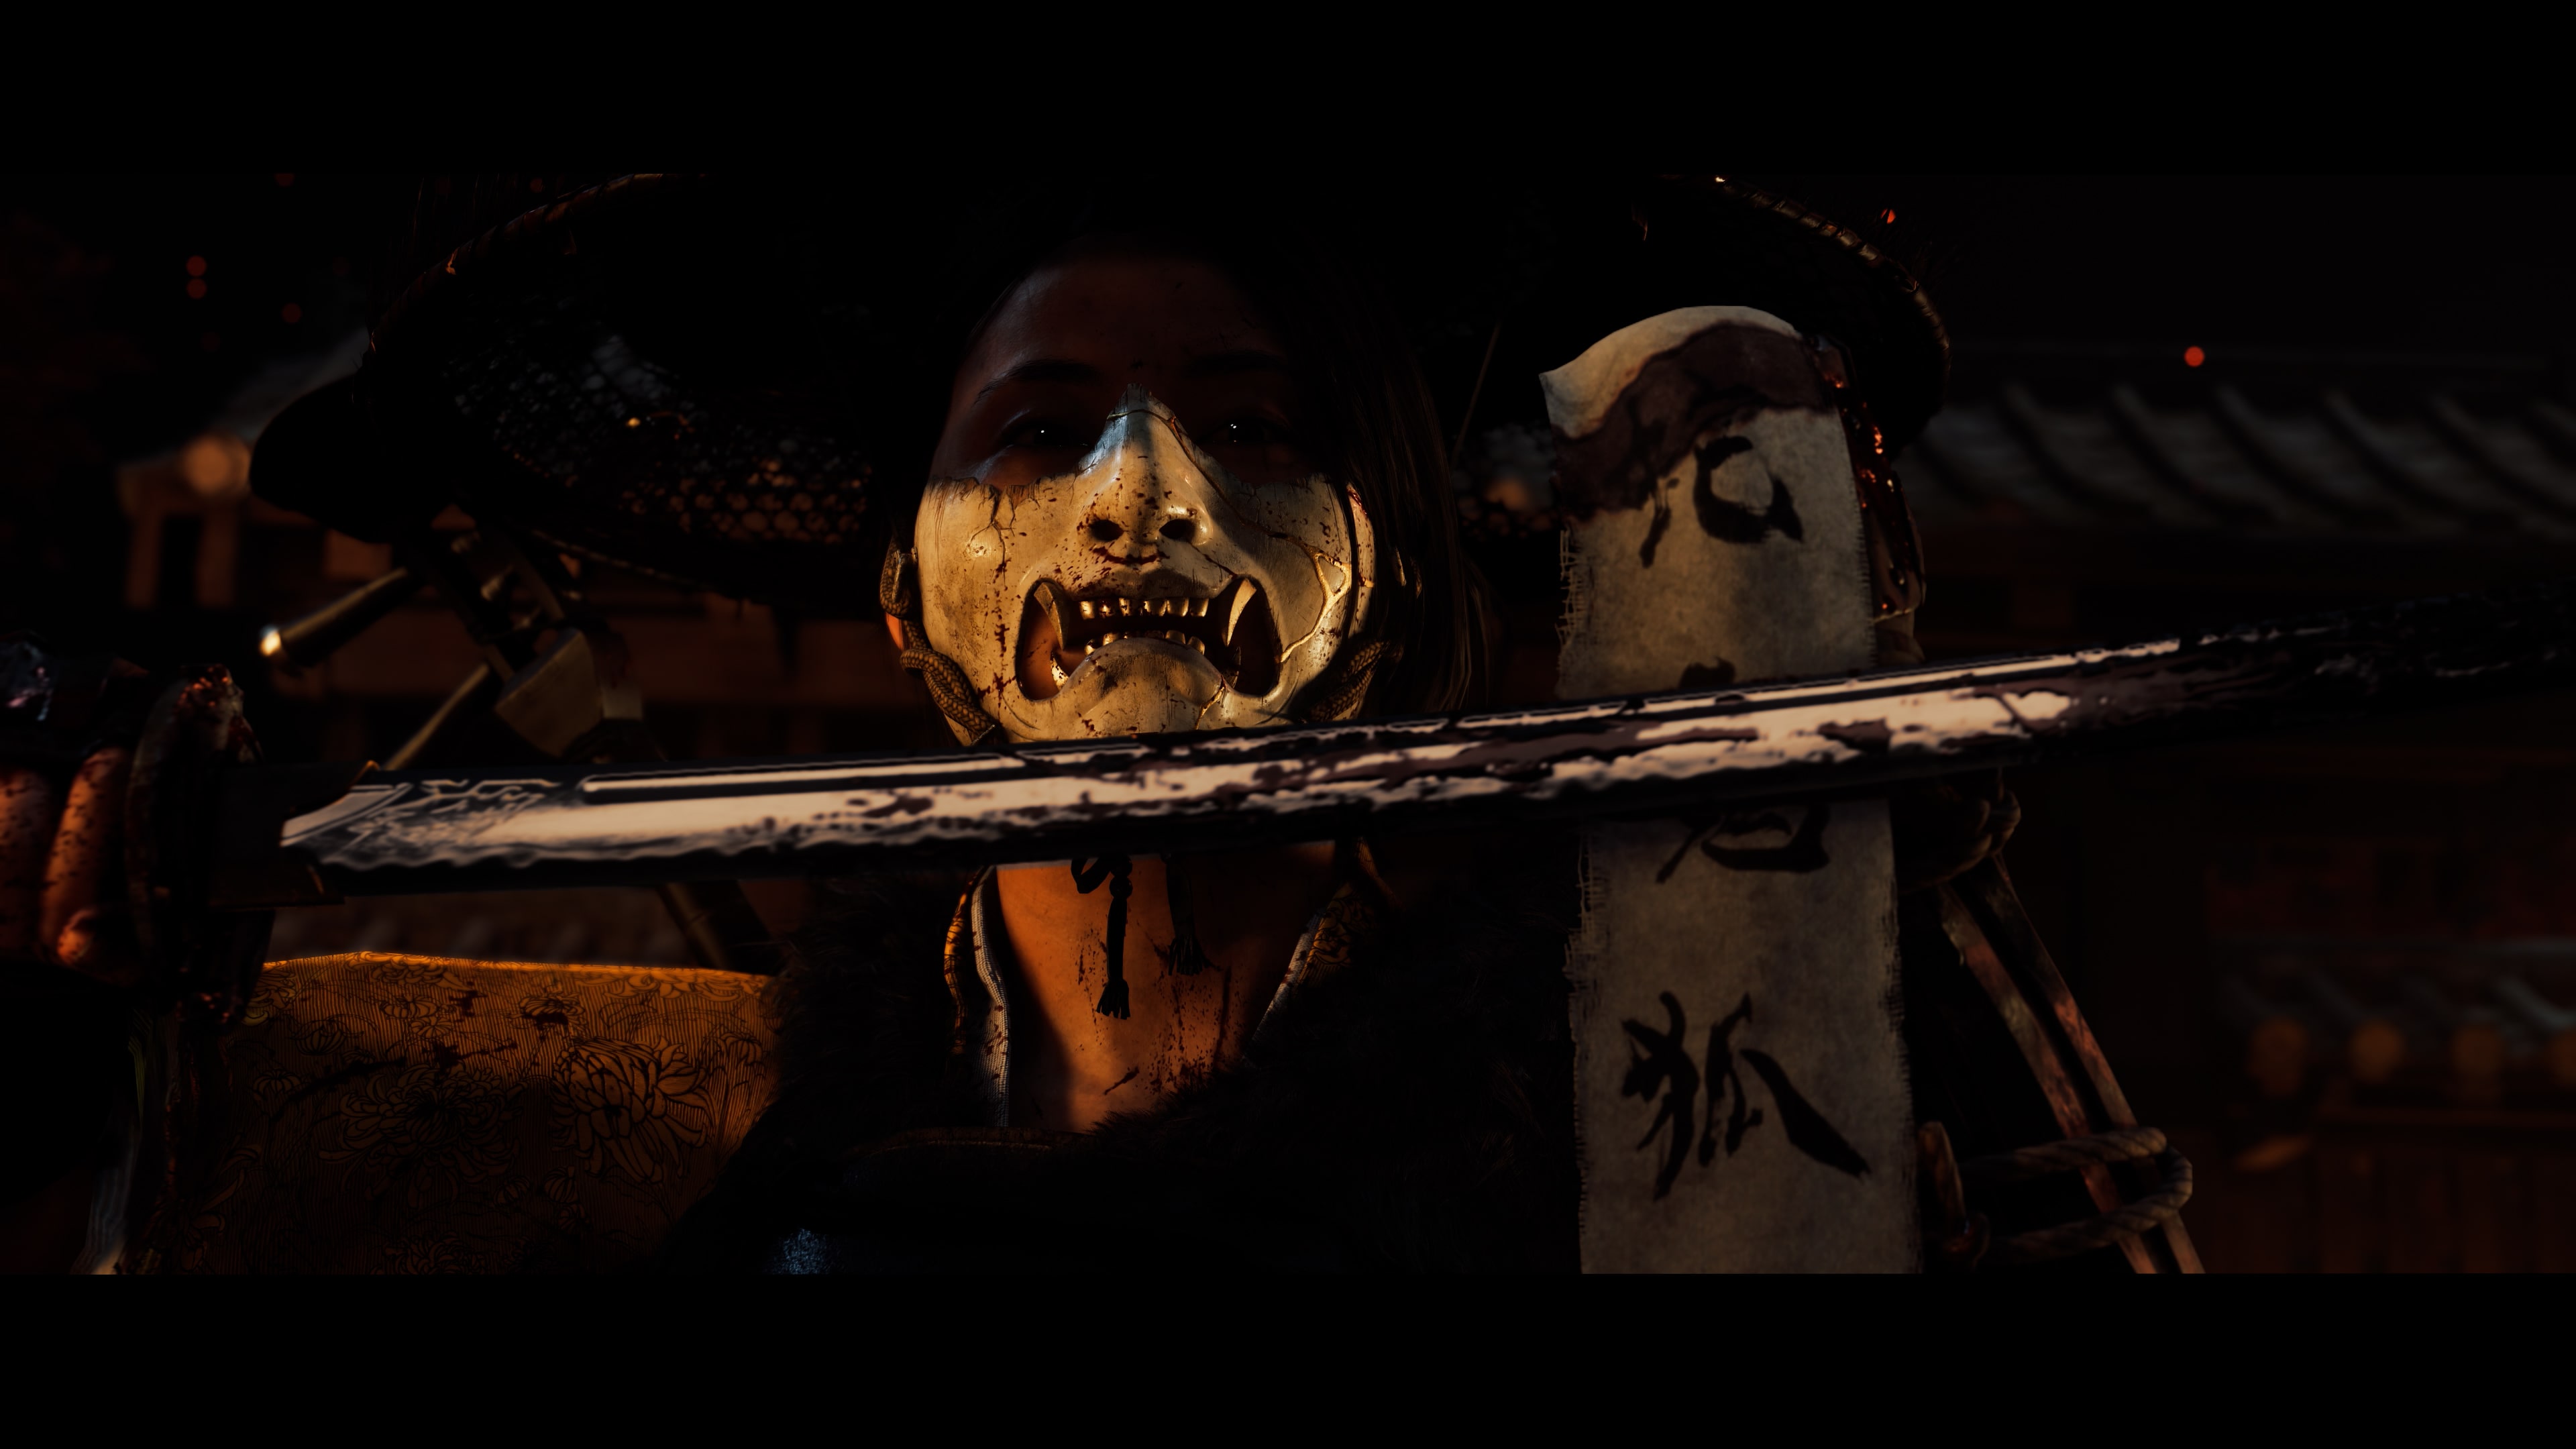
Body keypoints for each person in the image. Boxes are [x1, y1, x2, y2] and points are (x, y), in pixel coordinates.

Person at [1, 173, 2149, 1272]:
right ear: (907, 577)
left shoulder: (1649, 1119)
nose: (1142, 495)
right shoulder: (668, 1141)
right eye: (1038, 431)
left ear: (1399, 549)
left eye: (1257, 426)